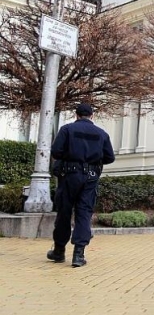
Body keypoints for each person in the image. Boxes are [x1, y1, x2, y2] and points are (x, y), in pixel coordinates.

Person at [47, 103, 115, 268]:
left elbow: (55, 151)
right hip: (90, 177)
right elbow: (110, 157)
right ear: (92, 116)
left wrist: (70, 156)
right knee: (84, 213)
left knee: (64, 212)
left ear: (76, 115)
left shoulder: (67, 129)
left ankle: (59, 251)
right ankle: (78, 255)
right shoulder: (102, 134)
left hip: (69, 175)